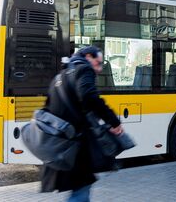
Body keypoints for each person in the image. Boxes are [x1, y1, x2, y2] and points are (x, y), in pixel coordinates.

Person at [41, 46, 123, 201]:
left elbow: (49, 107)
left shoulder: (61, 75)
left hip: (64, 143)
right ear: (88, 57)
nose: (98, 69)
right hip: (77, 144)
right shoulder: (84, 69)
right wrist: (113, 121)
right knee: (81, 191)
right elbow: (89, 96)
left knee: (80, 189)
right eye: (98, 63)